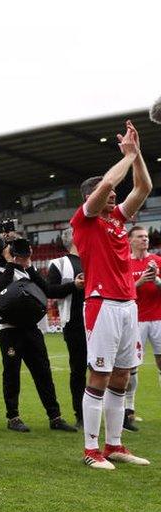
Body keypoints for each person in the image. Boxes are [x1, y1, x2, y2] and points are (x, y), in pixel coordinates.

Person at [70, 120, 151, 469]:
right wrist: (125, 155)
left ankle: (114, 445)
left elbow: (143, 186)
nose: (116, 196)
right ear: (91, 199)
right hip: (101, 305)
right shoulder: (84, 220)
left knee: (122, 376)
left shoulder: (117, 220)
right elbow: (106, 183)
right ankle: (91, 451)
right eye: (110, 195)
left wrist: (137, 157)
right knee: (99, 376)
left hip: (127, 305)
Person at [0, 234, 76, 433]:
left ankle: (55, 416)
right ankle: (13, 416)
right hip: (9, 330)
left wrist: (28, 263)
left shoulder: (26, 271)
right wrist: (11, 263)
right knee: (12, 374)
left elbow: (48, 289)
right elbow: (1, 286)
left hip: (31, 329)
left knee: (43, 372)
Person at [45, 228, 86, 425]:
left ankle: (117, 413)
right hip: (75, 323)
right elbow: (50, 290)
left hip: (100, 318)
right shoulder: (59, 263)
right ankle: (81, 414)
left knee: (104, 369)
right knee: (78, 369)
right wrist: (74, 286)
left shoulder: (94, 258)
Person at [125, 225, 159, 430]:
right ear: (130, 240)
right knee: (131, 366)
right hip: (136, 319)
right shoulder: (125, 263)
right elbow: (122, 289)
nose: (144, 239)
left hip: (159, 318)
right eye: (139, 237)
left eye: (146, 237)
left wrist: (155, 279)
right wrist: (138, 282)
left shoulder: (157, 261)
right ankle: (130, 409)